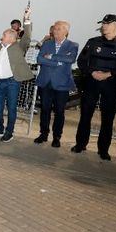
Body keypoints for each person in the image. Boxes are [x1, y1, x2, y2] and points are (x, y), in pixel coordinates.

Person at [72, 14, 116, 160]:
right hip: (92, 83)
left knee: (108, 119)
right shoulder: (93, 42)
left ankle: (103, 150)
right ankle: (80, 144)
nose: (104, 26)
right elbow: (82, 61)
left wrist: (109, 74)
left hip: (111, 85)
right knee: (85, 116)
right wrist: (92, 72)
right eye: (103, 23)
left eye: (108, 23)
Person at [0, 5, 33, 142]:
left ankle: (9, 132)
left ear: (12, 38)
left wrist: (27, 19)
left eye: (4, 35)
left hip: (13, 82)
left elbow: (28, 36)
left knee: (11, 108)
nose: (2, 37)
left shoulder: (19, 47)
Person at [33, 20, 78, 148]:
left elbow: (70, 59)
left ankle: (57, 137)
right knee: (45, 110)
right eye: (54, 29)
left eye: (58, 29)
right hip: (46, 82)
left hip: (62, 84)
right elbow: (39, 59)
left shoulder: (72, 45)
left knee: (59, 112)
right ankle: (43, 134)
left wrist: (51, 56)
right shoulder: (47, 44)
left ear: (66, 31)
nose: (55, 31)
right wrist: (57, 62)